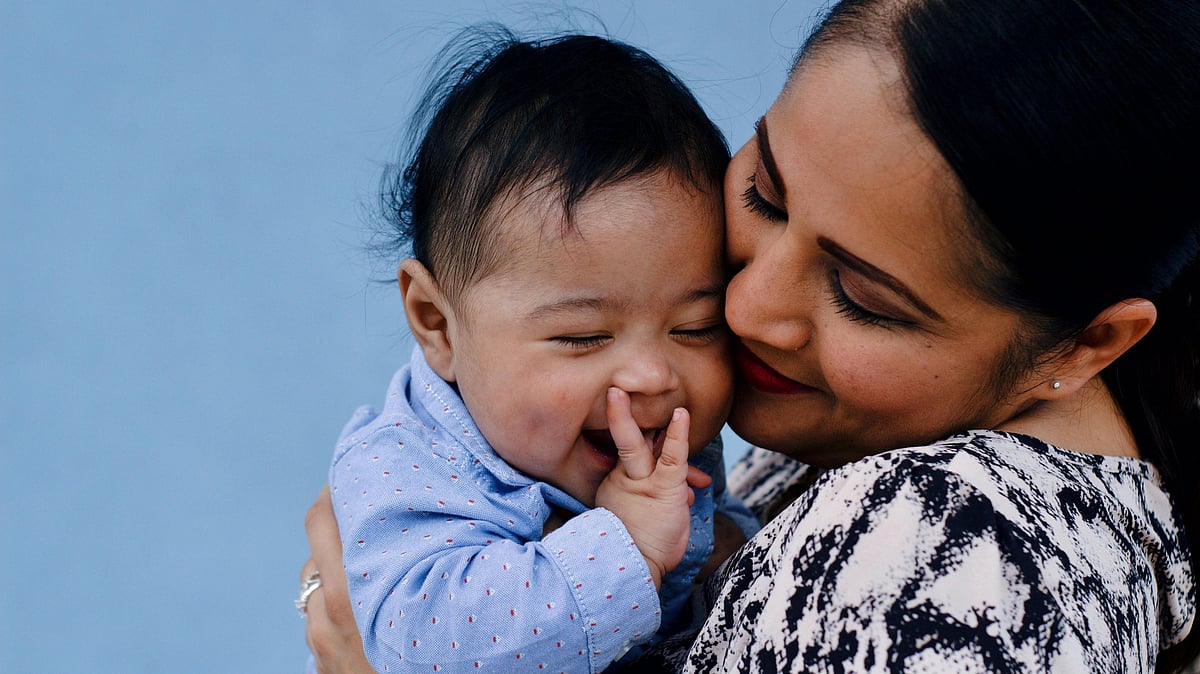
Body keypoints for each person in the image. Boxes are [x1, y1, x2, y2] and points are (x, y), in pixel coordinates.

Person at [300, 0, 1200, 671]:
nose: (743, 309)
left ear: (1086, 345)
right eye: (763, 192)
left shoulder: (956, 564)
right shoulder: (849, 438)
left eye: (862, 295)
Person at [300, 28, 761, 674]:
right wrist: (624, 546)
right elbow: (426, 650)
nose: (655, 375)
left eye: (695, 327)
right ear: (437, 324)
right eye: (583, 337)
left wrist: (729, 549)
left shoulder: (649, 439)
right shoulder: (406, 470)